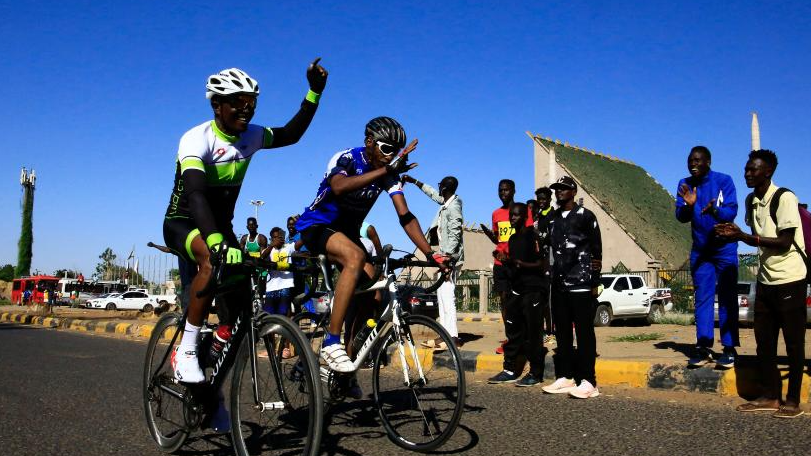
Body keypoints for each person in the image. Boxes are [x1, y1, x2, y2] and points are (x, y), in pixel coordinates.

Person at [161, 59, 327, 391]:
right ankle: (187, 350)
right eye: (237, 102)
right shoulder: (197, 140)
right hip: (184, 223)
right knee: (211, 257)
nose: (245, 109)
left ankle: (213, 395)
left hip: (221, 229)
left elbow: (290, 134)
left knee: (238, 321)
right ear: (216, 105)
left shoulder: (251, 136)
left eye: (251, 103)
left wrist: (314, 93)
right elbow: (195, 195)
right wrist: (217, 243)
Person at [295, 116, 449, 372]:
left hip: (347, 235)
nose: (391, 156)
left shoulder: (387, 175)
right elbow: (339, 186)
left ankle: (347, 360)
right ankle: (331, 342)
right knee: (355, 257)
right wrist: (386, 171)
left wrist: (430, 254)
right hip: (317, 228)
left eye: (395, 152)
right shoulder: (347, 158)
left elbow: (406, 217)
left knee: (375, 292)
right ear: (369, 142)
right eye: (386, 149)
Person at [715, 149, 807, 418]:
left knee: (793, 344)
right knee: (764, 343)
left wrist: (744, 237)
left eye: (753, 169)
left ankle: (792, 401)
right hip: (765, 280)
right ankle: (770, 395)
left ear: (768, 172)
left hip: (790, 279)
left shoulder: (785, 198)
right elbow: (752, 235)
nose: (747, 173)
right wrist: (729, 233)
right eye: (746, 169)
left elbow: (784, 242)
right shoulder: (750, 201)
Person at [675, 146, 739, 368]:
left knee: (728, 298)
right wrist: (688, 206)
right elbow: (680, 216)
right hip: (701, 251)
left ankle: (729, 348)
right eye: (690, 160)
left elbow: (731, 211)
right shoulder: (685, 185)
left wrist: (713, 211)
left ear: (708, 161)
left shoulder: (724, 181)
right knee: (702, 298)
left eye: (698, 160)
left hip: (724, 249)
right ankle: (703, 347)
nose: (693, 164)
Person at [541, 176, 602, 399]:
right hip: (559, 285)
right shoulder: (553, 219)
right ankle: (566, 377)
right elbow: (544, 246)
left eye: (564, 189)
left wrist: (594, 283)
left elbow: (597, 252)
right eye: (557, 189)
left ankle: (589, 381)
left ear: (574, 191)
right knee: (563, 333)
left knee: (585, 333)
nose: (559, 192)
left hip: (581, 283)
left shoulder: (586, 216)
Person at [402, 174, 465, 349]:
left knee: (447, 296)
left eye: (440, 185)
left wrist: (448, 256)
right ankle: (444, 336)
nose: (438, 188)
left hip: (449, 258)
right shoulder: (446, 202)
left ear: (445, 188)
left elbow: (455, 231)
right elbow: (432, 194)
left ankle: (453, 338)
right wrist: (415, 181)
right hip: (444, 256)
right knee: (442, 295)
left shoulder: (453, 206)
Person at [488, 203, 545, 386]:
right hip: (517, 288)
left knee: (533, 333)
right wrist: (504, 260)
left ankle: (535, 373)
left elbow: (541, 264)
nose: (512, 218)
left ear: (524, 217)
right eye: (511, 215)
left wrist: (521, 264)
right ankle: (510, 369)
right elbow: (514, 264)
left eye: (516, 215)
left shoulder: (532, 236)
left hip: (533, 289)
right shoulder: (512, 239)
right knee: (513, 330)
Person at [480, 179, 532, 355]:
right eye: (500, 190)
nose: (503, 193)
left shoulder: (523, 210)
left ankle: (524, 339)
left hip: (517, 264)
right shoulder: (495, 214)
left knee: (521, 302)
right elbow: (499, 240)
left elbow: (529, 235)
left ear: (514, 191)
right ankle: (511, 339)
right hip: (500, 264)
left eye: (506, 190)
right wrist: (489, 236)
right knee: (505, 302)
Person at [534, 186, 555, 344]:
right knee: (539, 299)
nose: (541, 201)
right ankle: (541, 331)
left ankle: (551, 331)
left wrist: (537, 235)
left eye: (543, 199)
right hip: (538, 263)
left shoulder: (553, 216)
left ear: (549, 199)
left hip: (550, 262)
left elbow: (549, 238)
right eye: (539, 199)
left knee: (549, 300)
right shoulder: (538, 215)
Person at [262, 227, 295, 317]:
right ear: (271, 239)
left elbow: (299, 244)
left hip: (285, 285)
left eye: (278, 237)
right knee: (269, 313)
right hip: (271, 287)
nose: (276, 239)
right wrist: (272, 245)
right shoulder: (269, 250)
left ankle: (285, 329)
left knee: (284, 312)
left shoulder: (288, 247)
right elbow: (262, 257)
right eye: (274, 238)